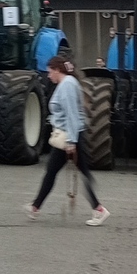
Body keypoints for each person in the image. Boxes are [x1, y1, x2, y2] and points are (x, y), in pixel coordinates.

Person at [25, 56, 107, 226]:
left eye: (49, 72)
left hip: (69, 137)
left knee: (66, 172)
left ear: (57, 70)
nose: (48, 76)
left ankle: (99, 209)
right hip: (70, 135)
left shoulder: (67, 85)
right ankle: (35, 207)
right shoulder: (66, 84)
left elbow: (71, 114)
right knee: (55, 171)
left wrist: (71, 141)